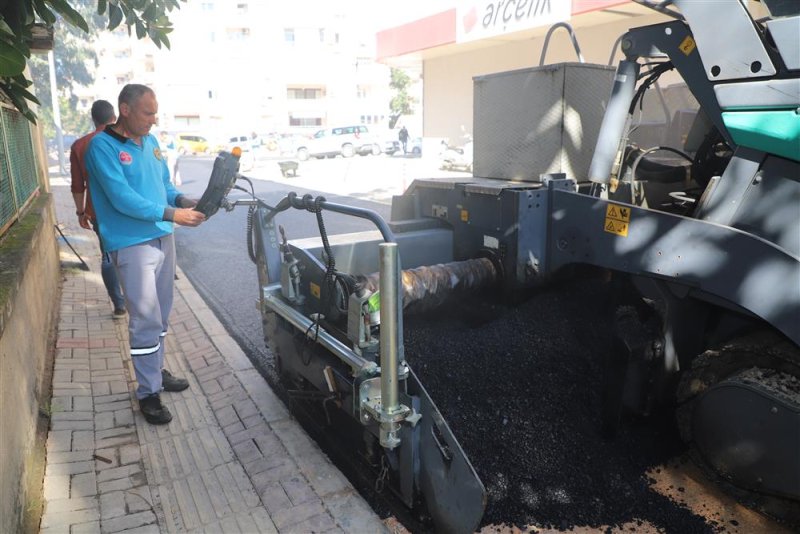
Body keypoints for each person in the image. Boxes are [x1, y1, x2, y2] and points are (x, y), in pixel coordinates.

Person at [85, 84, 206, 425]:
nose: (154, 120)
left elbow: (163, 185)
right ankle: (148, 392)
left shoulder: (150, 143)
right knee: (145, 318)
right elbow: (122, 198)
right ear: (125, 109)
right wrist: (171, 214)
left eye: (155, 112)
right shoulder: (102, 148)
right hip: (131, 243)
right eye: (147, 113)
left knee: (161, 314)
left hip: (162, 238)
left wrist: (182, 200)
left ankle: (156, 371)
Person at [70, 100, 127, 318]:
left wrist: (81, 212)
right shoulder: (125, 139)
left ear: (93, 119)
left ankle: (119, 305)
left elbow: (77, 185)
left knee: (108, 256)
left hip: (99, 212)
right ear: (114, 116)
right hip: (128, 209)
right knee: (133, 252)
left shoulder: (80, 145)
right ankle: (137, 298)